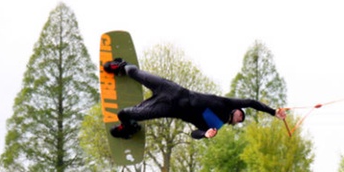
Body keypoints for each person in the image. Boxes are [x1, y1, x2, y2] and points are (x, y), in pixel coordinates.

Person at [103, 59, 286, 140]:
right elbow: (252, 102)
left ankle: (130, 127)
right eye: (241, 113)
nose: (241, 114)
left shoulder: (215, 124)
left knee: (123, 114)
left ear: (235, 122)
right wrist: (273, 112)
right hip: (172, 89)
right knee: (132, 71)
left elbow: (194, 134)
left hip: (168, 108)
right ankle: (122, 65)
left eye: (241, 118)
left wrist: (205, 135)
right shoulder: (226, 104)